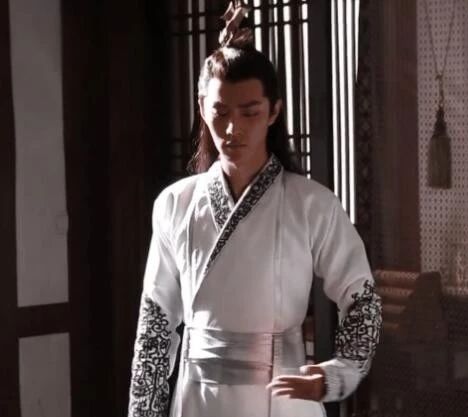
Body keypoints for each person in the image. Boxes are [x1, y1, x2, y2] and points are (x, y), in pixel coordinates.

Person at [128, 2, 382, 417]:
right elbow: (155, 327)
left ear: (274, 111)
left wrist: (335, 374)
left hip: (282, 397)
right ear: (202, 108)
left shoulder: (311, 205)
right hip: (198, 399)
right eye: (220, 112)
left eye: (250, 113)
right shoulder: (175, 205)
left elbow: (363, 299)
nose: (233, 129)